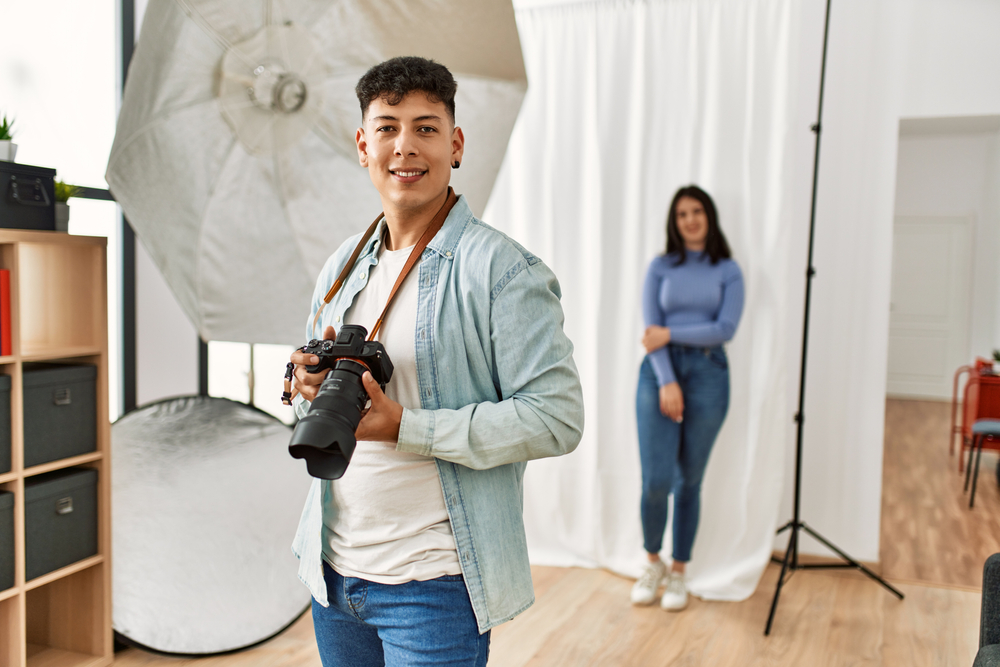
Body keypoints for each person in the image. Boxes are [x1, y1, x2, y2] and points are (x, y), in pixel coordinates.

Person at [287, 57, 584, 667]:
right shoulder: (341, 265)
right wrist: (303, 384)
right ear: (363, 144)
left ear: (456, 144)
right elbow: (308, 397)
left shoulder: (503, 271)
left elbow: (557, 418)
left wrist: (406, 428)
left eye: (425, 127)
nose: (406, 146)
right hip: (334, 574)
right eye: (388, 127)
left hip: (435, 586)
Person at [630, 185, 744, 611]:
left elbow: (725, 328)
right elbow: (650, 330)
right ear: (674, 222)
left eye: (697, 211)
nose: (690, 219)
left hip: (710, 374)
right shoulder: (660, 267)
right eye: (682, 214)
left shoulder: (727, 270)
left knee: (689, 482)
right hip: (659, 372)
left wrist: (671, 334)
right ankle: (652, 561)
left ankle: (679, 572)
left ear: (709, 217)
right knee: (656, 481)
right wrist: (667, 381)